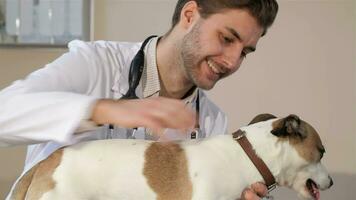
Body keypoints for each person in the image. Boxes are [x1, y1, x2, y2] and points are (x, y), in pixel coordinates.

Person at [0, 0, 278, 199]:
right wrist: (103, 109)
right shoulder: (96, 64)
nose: (232, 61)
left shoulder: (211, 122)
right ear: (190, 15)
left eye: (245, 52)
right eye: (227, 38)